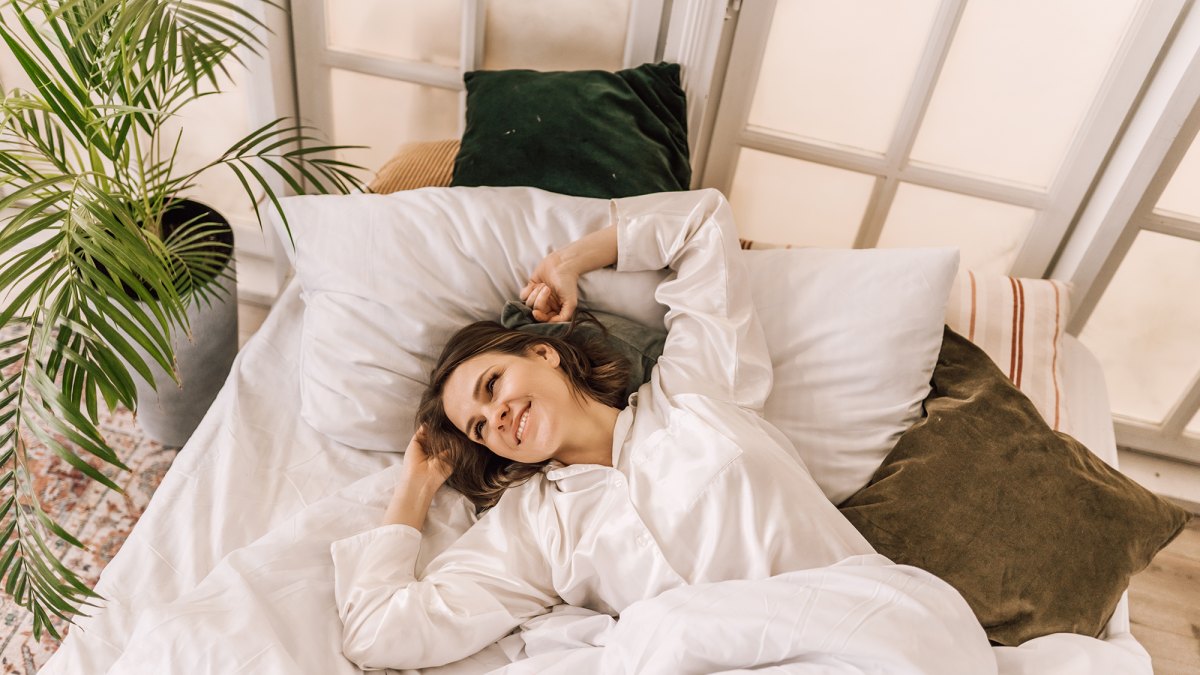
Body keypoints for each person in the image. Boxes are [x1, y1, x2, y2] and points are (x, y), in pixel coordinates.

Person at [330, 189, 875, 671]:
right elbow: (379, 634)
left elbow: (702, 224)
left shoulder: (693, 390)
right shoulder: (535, 528)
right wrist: (415, 489)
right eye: (478, 428)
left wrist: (567, 262)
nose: (493, 418)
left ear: (544, 352)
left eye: (492, 385)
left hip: (859, 627)